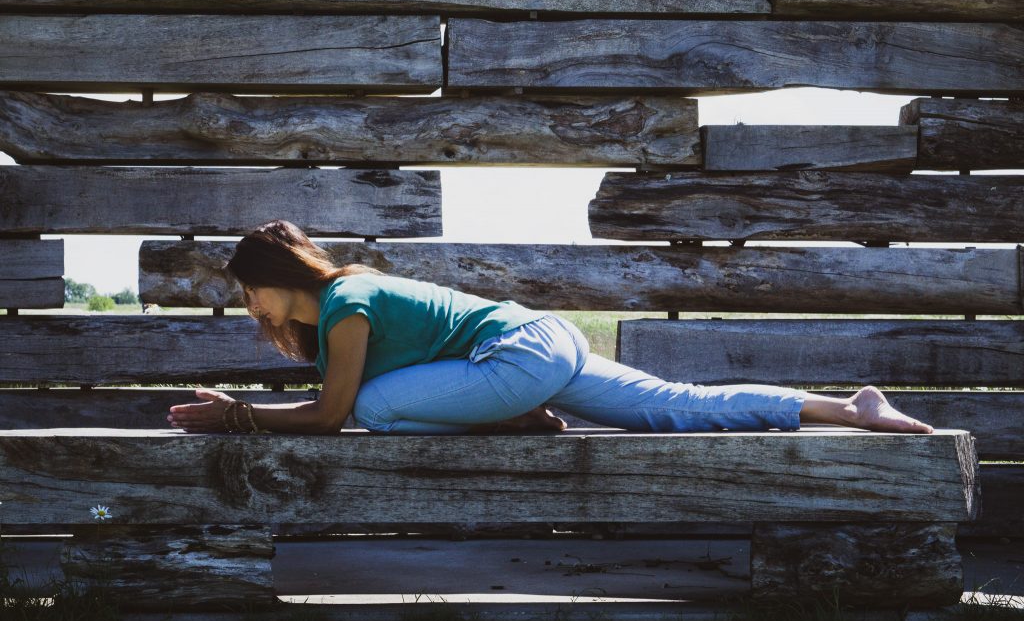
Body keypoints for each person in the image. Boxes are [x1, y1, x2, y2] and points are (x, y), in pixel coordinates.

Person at [166, 220, 934, 436]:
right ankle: (848, 406)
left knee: (371, 406)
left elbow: (333, 415)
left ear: (272, 280)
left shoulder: (346, 304)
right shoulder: (349, 301)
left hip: (519, 354)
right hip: (539, 343)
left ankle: (517, 415)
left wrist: (238, 414)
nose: (252, 311)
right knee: (682, 405)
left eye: (250, 295)